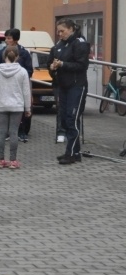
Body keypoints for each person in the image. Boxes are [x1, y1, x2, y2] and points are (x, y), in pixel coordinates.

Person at [48, 18, 90, 165]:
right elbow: (51, 63)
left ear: (71, 29)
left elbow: (82, 65)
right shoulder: (59, 45)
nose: (60, 34)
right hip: (63, 86)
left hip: (76, 86)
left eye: (62, 31)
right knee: (65, 120)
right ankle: (75, 152)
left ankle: (71, 153)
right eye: (58, 31)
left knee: (72, 120)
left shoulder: (80, 43)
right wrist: (52, 68)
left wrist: (63, 64)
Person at [0, 46, 31, 169]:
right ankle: (13, 160)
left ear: (4, 56)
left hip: (2, 105)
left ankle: (0, 160)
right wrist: (27, 108)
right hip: (17, 106)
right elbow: (26, 92)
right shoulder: (22, 72)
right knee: (14, 132)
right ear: (17, 57)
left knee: (2, 132)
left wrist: (0, 97)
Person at [0, 28, 34, 142]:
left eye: (9, 38)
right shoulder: (1, 52)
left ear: (16, 39)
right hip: (5, 87)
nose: (6, 40)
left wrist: (21, 77)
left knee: (20, 109)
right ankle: (6, 132)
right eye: (5, 38)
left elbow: (29, 70)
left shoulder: (24, 53)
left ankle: (21, 131)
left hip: (19, 86)